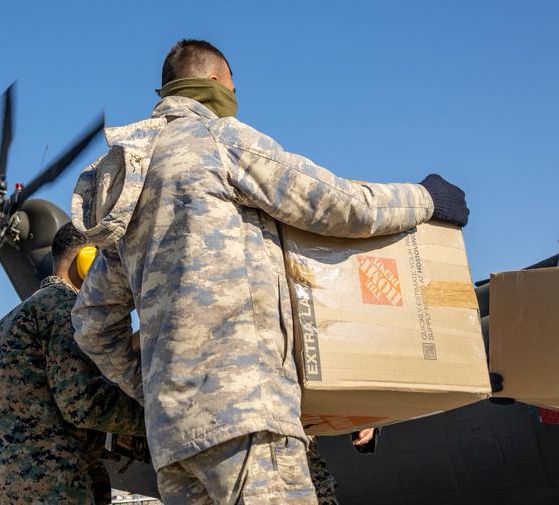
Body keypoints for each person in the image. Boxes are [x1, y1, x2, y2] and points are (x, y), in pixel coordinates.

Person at [70, 39, 469, 504]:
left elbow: (93, 324)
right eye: (234, 88)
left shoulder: (131, 186)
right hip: (246, 420)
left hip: (173, 442)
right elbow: (337, 205)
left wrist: (159, 388)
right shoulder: (219, 142)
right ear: (216, 81)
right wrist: (427, 199)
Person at [0, 223, 147, 504]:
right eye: (107, 262)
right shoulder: (65, 311)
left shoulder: (11, 320)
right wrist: (156, 417)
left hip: (13, 488)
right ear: (88, 260)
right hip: (57, 487)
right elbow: (83, 404)